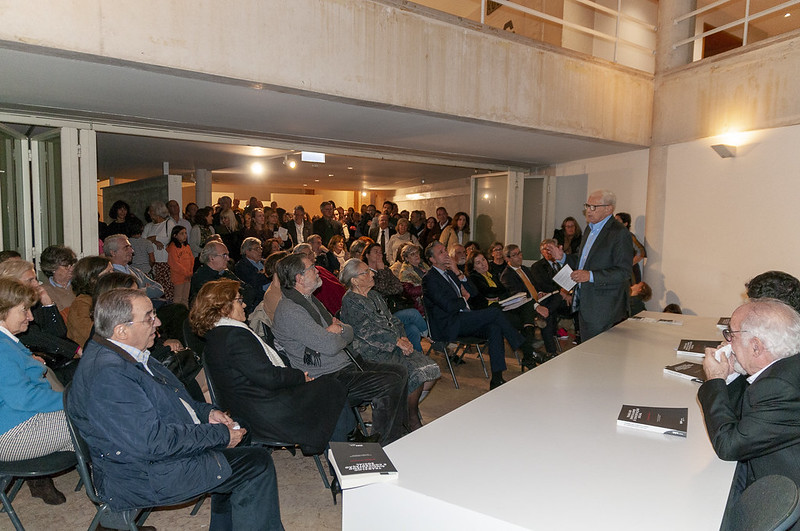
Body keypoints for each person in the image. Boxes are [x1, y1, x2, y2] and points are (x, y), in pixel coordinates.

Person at [68, 288, 283, 529]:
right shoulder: (110, 375)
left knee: (242, 430)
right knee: (256, 463)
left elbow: (176, 400)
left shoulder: (126, 354)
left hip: (159, 455)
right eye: (149, 317)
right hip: (143, 474)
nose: (158, 322)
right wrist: (220, 435)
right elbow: (153, 442)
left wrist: (207, 414)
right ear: (121, 330)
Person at [190, 279, 347, 454]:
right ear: (223, 307)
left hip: (249, 407)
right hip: (264, 412)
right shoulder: (235, 336)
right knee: (331, 386)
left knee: (327, 389)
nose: (244, 305)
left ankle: (334, 446)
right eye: (239, 300)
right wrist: (300, 377)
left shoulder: (216, 336)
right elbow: (268, 377)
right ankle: (339, 454)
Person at [271, 254, 408, 445]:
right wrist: (333, 334)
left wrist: (338, 330)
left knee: (400, 371)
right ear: (299, 278)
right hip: (326, 376)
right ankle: (386, 443)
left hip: (343, 364)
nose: (317, 271)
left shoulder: (310, 301)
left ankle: (393, 433)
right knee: (390, 382)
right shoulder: (291, 311)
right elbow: (330, 346)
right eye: (312, 268)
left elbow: (348, 332)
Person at [699, 299, 800, 521]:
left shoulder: (779, 387)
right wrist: (732, 373)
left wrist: (715, 380)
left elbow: (728, 445)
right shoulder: (784, 369)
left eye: (731, 335)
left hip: (781, 498)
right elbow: (745, 416)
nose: (727, 342)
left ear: (756, 346)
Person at [339, 259, 440, 431]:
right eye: (366, 272)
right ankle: (411, 418)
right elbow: (367, 332)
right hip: (371, 352)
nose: (372, 274)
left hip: (394, 344)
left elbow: (393, 320)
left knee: (431, 370)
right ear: (355, 280)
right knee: (416, 373)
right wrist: (396, 342)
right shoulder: (351, 301)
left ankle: (403, 410)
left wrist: (403, 338)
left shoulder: (374, 295)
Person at [0, 277, 74, 506]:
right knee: (98, 420)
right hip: (11, 434)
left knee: (98, 428)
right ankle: (117, 504)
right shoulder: (2, 348)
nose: (30, 317)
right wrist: (71, 399)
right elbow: (23, 398)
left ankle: (116, 498)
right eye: (24, 310)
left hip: (20, 421)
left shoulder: (7, 342)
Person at [422, 241, 532, 389]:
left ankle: (497, 379)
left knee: (494, 328)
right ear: (432, 259)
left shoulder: (451, 273)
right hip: (449, 324)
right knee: (495, 312)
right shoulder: (429, 279)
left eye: (445, 250)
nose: (446, 254)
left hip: (464, 319)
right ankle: (527, 349)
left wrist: (458, 272)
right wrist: (463, 299)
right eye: (441, 252)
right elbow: (448, 306)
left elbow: (473, 293)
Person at [546, 190, 634, 341]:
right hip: (585, 301)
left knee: (601, 351)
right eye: (587, 206)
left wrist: (590, 275)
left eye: (594, 207)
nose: (588, 210)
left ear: (609, 209)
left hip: (604, 306)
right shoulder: (589, 229)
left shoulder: (619, 233)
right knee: (587, 350)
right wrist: (563, 257)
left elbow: (624, 272)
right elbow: (583, 261)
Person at [0, 260, 82, 384]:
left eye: (35, 279)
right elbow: (33, 336)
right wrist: (74, 349)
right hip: (40, 365)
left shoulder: (35, 303)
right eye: (30, 280)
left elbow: (59, 332)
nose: (37, 284)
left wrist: (48, 304)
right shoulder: (9, 314)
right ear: (12, 284)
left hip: (52, 360)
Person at [500, 244, 565, 364]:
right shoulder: (507, 275)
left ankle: (544, 313)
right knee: (548, 316)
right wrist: (537, 306)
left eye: (520, 253)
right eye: (515, 255)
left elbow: (535, 285)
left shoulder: (524, 269)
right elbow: (519, 296)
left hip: (537, 300)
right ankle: (551, 351)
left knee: (558, 295)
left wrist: (540, 293)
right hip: (524, 306)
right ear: (507, 259)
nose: (520, 257)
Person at [362, 242, 427, 352]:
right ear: (367, 255)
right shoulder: (365, 274)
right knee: (413, 314)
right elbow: (379, 291)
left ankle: (417, 357)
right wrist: (381, 272)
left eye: (380, 252)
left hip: (393, 309)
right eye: (375, 252)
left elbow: (398, 288)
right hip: (382, 316)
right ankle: (431, 338)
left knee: (413, 330)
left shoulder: (386, 269)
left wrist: (385, 281)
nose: (379, 254)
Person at [190, 241, 256, 312]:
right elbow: (219, 303)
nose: (228, 259)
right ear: (211, 258)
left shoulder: (226, 273)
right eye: (224, 255)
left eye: (227, 255)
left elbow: (249, 290)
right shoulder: (201, 277)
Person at [66, 256, 112, 347]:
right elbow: (91, 336)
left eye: (112, 271)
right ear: (93, 279)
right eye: (108, 273)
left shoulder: (105, 299)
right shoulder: (81, 304)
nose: (113, 276)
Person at [104, 234, 165, 301]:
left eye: (130, 247)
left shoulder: (136, 271)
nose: (132, 251)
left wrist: (136, 291)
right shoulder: (109, 275)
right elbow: (123, 297)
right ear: (113, 253)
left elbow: (159, 288)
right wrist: (145, 290)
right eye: (126, 247)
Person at [292, 243, 347, 317]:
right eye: (306, 255)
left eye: (311, 253)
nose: (310, 256)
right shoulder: (305, 280)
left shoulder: (320, 269)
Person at [143, 200, 176, 301]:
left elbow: (170, 239)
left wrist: (154, 238)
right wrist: (155, 241)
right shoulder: (148, 226)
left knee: (166, 288)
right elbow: (143, 241)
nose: (148, 213)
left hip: (165, 261)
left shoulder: (169, 223)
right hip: (151, 262)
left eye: (151, 210)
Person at [39, 245, 77, 312]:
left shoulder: (79, 285)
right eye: (66, 266)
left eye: (72, 265)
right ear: (52, 268)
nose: (71, 269)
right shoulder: (45, 290)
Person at [394, 243, 428, 316]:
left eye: (417, 253)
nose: (416, 255)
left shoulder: (423, 265)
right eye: (412, 254)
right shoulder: (405, 271)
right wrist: (426, 288)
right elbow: (408, 291)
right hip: (419, 304)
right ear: (406, 258)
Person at [615, 212, 646, 284]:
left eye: (617, 220)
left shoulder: (628, 236)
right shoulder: (614, 236)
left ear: (625, 223)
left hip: (630, 273)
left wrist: (629, 264)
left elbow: (641, 252)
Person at [166, 225, 194, 306]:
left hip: (187, 276)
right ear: (175, 235)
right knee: (178, 297)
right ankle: (177, 312)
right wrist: (186, 272)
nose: (185, 235)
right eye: (182, 233)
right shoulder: (173, 247)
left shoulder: (187, 246)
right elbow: (174, 263)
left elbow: (192, 259)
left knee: (185, 298)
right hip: (178, 276)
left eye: (185, 233)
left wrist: (190, 271)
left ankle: (185, 311)